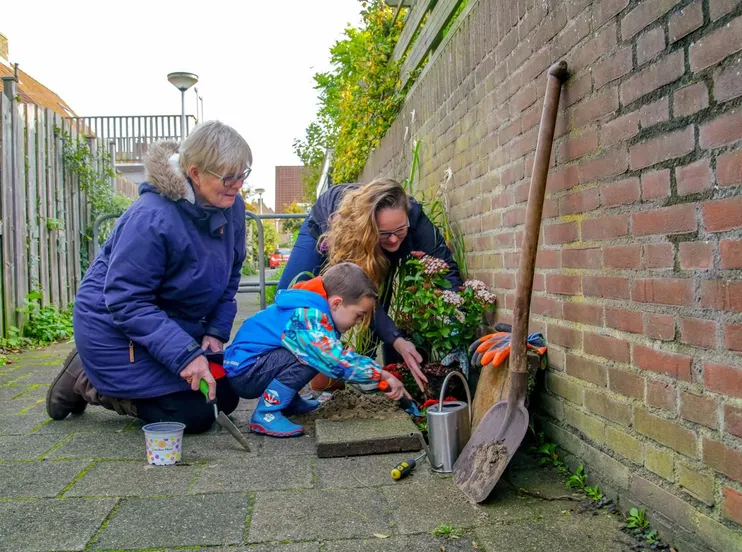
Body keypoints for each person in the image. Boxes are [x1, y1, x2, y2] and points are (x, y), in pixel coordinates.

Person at [45, 121, 251, 433]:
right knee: (193, 415)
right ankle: (87, 379)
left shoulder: (232, 206)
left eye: (243, 174)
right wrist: (185, 356)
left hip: (167, 325)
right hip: (114, 330)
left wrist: (215, 331)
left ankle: (109, 376)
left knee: (225, 395)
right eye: (228, 177)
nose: (237, 185)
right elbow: (126, 301)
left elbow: (231, 274)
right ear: (195, 173)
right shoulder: (151, 217)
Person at [279, 178, 463, 392]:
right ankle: (284, 379)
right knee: (290, 297)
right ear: (371, 228)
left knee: (374, 295)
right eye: (384, 233)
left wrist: (456, 324)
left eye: (400, 230)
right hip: (329, 226)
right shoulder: (353, 230)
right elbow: (357, 290)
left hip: (371, 242)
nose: (393, 240)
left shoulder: (416, 221)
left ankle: (364, 367)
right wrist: (398, 341)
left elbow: (446, 267)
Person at [224, 262, 407, 437]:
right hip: (246, 372)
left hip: (250, 365)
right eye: (358, 315)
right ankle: (266, 413)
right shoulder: (307, 317)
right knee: (316, 357)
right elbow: (332, 360)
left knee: (313, 353)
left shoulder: (311, 308)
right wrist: (381, 375)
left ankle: (288, 402)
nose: (359, 322)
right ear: (336, 303)